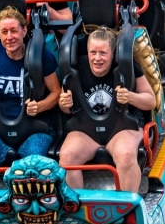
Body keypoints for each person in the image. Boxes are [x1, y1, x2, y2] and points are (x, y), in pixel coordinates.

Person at [0, 5, 62, 191]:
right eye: (4, 32)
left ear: (24, 30)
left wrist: (40, 106)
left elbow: (56, 92)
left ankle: (32, 208)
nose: (9, 37)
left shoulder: (41, 56)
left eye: (13, 31)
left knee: (34, 162)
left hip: (33, 127)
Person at [57, 27, 157, 192]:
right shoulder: (76, 69)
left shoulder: (129, 67)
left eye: (103, 53)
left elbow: (151, 101)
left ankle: (126, 208)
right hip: (86, 129)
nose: (97, 58)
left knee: (125, 156)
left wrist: (130, 96)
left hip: (121, 127)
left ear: (113, 54)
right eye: (93, 52)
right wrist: (64, 103)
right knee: (67, 157)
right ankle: (77, 208)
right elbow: (65, 108)